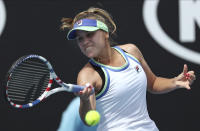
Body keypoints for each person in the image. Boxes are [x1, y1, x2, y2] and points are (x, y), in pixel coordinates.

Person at [60, 7, 196, 131]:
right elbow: (88, 119)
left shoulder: (131, 51)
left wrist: (175, 82)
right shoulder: (87, 75)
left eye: (89, 35)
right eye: (80, 39)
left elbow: (153, 83)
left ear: (105, 33)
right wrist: (84, 100)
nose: (84, 42)